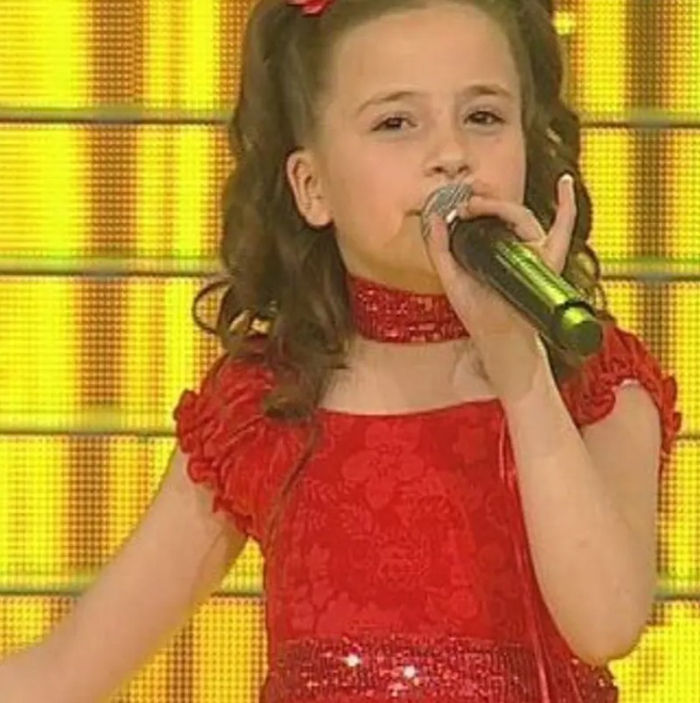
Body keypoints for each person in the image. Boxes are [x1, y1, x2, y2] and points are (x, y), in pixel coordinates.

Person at [0, 0, 683, 701]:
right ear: (312, 186)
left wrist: (521, 368)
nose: (451, 153)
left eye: (483, 116)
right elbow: (61, 675)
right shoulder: (266, 405)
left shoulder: (591, 375)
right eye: (396, 123)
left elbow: (606, 623)